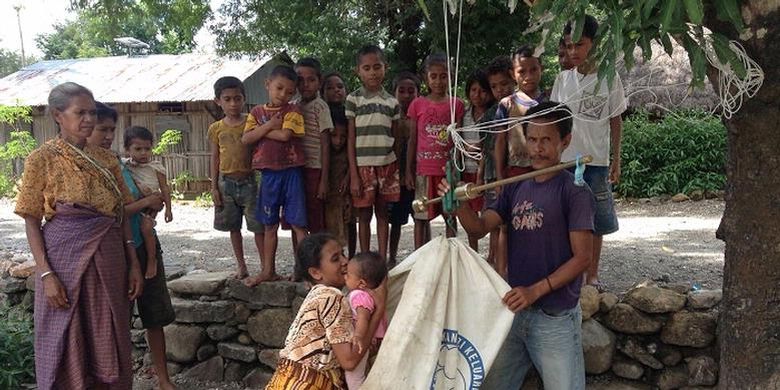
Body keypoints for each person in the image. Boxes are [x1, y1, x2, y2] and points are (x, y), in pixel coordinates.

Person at [439, 101, 594, 389]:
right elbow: (479, 227)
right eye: (532, 139)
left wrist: (535, 290)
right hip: (515, 311)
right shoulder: (515, 185)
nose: (537, 148)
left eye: (546, 140)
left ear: (565, 141)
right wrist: (458, 204)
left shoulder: (574, 190)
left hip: (554, 317)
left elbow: (583, 258)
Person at [16, 82, 144, 390]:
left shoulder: (108, 160)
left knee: (109, 326)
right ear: (58, 115)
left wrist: (134, 263)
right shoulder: (41, 159)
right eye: (80, 112)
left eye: (92, 112)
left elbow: (120, 213)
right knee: (66, 328)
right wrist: (46, 273)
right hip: (62, 257)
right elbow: (32, 219)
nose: (88, 118)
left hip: (110, 252)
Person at [87, 102, 178, 390]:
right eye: (102, 129)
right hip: (114, 253)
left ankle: (163, 379)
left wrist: (154, 203)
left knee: (155, 314)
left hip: (142, 243)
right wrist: (146, 203)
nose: (107, 136)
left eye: (111, 130)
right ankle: (116, 379)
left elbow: (153, 195)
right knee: (116, 320)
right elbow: (110, 212)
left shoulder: (119, 164)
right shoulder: (88, 168)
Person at [552, 15, 627, 290]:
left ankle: (592, 274)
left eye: (579, 45)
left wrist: (616, 159)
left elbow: (616, 119)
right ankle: (568, 272)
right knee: (565, 219)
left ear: (594, 44)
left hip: (595, 161)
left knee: (596, 221)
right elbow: (554, 122)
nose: (573, 52)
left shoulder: (610, 77)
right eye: (569, 46)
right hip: (564, 163)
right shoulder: (562, 79)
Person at [265, 233, 386, 389]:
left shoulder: (317, 295)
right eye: (335, 259)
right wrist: (379, 310)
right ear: (316, 273)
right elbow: (349, 361)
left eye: (343, 254)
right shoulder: (332, 297)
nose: (345, 261)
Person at [242, 65, 307, 285]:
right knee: (269, 225)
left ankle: (304, 272)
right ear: (267, 84)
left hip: (292, 172)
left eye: (289, 92)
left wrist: (260, 131)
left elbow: (285, 136)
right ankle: (267, 270)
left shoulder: (294, 111)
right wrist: (269, 125)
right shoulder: (257, 113)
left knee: (299, 225)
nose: (283, 95)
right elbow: (246, 139)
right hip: (269, 175)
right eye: (279, 88)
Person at [346, 45, 401, 261]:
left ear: (385, 68)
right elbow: (351, 139)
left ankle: (382, 257)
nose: (372, 72)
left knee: (382, 213)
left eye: (377, 67)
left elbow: (396, 138)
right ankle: (365, 258)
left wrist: (395, 166)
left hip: (387, 165)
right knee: (364, 214)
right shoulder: (353, 100)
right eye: (366, 68)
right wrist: (354, 174)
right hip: (362, 167)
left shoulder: (392, 102)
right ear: (358, 71)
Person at [406, 53, 465, 249]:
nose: (438, 81)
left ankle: (451, 252)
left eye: (444, 76)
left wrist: (457, 168)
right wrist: (409, 170)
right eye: (434, 76)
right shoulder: (417, 105)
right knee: (421, 215)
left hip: (447, 171)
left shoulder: (456, 104)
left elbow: (459, 140)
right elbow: (412, 140)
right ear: (426, 78)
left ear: (450, 76)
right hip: (424, 170)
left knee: (450, 213)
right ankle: (419, 256)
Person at [209, 76, 265, 280]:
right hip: (226, 183)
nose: (233, 103)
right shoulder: (216, 128)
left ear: (244, 98)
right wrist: (214, 187)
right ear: (218, 101)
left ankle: (264, 266)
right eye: (227, 99)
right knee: (233, 227)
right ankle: (241, 266)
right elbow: (215, 158)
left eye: (237, 98)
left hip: (250, 181)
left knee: (258, 227)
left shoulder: (252, 122)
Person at [122, 126, 173, 280]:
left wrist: (168, 210)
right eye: (138, 149)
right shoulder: (125, 165)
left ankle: (152, 259)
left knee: (146, 228)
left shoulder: (156, 167)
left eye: (147, 148)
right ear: (127, 149)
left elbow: (165, 188)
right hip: (138, 203)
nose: (143, 153)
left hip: (152, 203)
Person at [495, 45, 547, 182]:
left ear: (541, 68)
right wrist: (500, 177)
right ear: (513, 74)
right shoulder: (507, 104)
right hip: (516, 172)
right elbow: (500, 141)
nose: (528, 76)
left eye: (534, 70)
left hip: (545, 170)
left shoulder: (549, 101)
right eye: (522, 71)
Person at [294, 58, 334, 236]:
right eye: (300, 80)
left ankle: (317, 260)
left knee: (316, 219)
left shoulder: (321, 107)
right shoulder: (293, 106)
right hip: (295, 169)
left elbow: (326, 144)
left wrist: (324, 180)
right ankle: (300, 260)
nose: (306, 85)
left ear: (319, 82)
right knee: (296, 217)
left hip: (315, 170)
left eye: (311, 80)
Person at [482, 56, 516, 269]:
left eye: (504, 84)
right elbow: (488, 149)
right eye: (494, 86)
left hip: (517, 171)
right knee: (499, 223)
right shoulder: (492, 113)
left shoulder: (526, 105)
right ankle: (497, 267)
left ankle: (509, 267)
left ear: (514, 79)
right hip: (496, 175)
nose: (500, 89)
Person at [321, 72, 357, 257]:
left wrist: (349, 177)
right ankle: (336, 257)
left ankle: (351, 256)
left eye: (340, 86)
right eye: (330, 87)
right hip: (330, 185)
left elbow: (354, 153)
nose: (336, 90)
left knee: (350, 220)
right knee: (331, 223)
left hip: (347, 182)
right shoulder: (321, 115)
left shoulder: (350, 115)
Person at [459, 69, 495, 251]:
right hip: (467, 170)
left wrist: (481, 174)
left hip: (486, 172)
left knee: (489, 212)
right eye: (473, 90)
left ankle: (492, 254)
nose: (477, 95)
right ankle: (473, 252)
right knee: (469, 213)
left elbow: (488, 146)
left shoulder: (492, 115)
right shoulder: (463, 115)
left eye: (482, 90)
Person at [343, 251, 388, 389]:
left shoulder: (358, 295)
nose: (345, 277)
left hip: (360, 341)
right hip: (367, 339)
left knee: (354, 377)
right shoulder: (368, 295)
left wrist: (358, 336)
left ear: (361, 283)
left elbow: (363, 318)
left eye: (348, 275)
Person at [388, 71, 420, 265]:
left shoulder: (419, 118)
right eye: (402, 91)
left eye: (411, 91)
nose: (407, 95)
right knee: (396, 222)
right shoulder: (391, 118)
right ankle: (391, 257)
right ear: (394, 93)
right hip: (394, 177)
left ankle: (422, 254)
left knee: (421, 218)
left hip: (417, 176)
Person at [324, 106, 351, 247]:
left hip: (343, 196)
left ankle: (347, 257)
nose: (338, 141)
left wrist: (347, 178)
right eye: (334, 136)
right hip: (329, 197)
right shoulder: (324, 152)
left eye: (343, 137)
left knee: (346, 227)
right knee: (331, 229)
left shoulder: (348, 152)